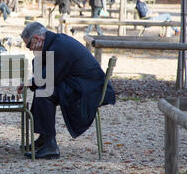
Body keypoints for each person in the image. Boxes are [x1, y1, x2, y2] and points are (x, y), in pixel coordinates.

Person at [17, 22, 115, 159]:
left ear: (37, 39)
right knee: (43, 90)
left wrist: (30, 81)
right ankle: (45, 138)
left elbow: (45, 79)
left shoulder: (58, 47)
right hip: (80, 84)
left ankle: (50, 145)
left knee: (45, 92)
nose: (28, 49)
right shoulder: (55, 42)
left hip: (88, 90)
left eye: (28, 45)